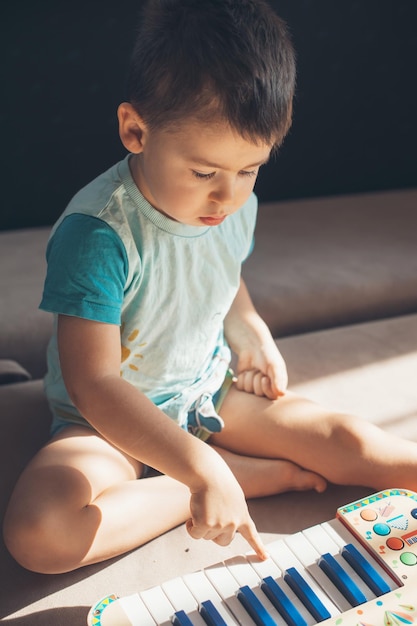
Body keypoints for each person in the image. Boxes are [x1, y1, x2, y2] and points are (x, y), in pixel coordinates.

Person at [4, 0, 417, 576]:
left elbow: (223, 276)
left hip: (206, 395)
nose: (227, 197)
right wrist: (203, 470)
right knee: (41, 533)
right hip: (108, 425)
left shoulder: (228, 205)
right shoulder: (98, 234)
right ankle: (216, 481)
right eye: (204, 173)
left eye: (249, 170)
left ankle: (216, 469)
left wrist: (249, 329)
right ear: (135, 130)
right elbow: (94, 384)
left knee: (350, 440)